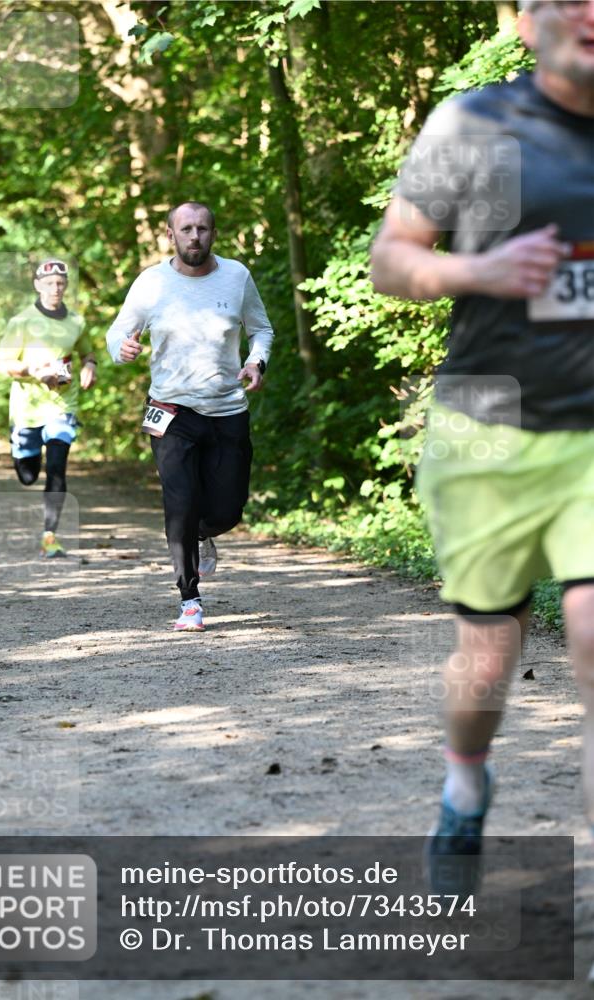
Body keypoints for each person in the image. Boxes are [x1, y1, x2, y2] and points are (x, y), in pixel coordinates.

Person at [370, 0, 594, 890]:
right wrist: (476, 270)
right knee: (486, 656)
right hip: (487, 429)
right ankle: (465, 784)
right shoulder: (477, 124)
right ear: (522, 20)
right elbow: (394, 259)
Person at [106, 202, 273, 632]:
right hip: (171, 411)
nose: (194, 236)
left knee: (228, 510)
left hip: (227, 409)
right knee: (179, 503)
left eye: (202, 228)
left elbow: (261, 329)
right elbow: (116, 332)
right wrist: (121, 348)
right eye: (186, 229)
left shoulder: (236, 277)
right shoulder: (151, 283)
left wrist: (257, 362)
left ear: (213, 233)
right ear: (170, 235)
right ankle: (190, 600)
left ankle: (205, 531)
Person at [0, 259, 97, 557]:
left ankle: (49, 535)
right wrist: (32, 371)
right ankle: (21, 452)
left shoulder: (76, 321)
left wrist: (90, 365)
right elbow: (2, 363)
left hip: (62, 404)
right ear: (38, 285)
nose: (56, 288)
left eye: (61, 283)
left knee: (57, 465)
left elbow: (87, 351)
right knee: (28, 475)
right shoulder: (21, 322)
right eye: (50, 283)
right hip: (27, 409)